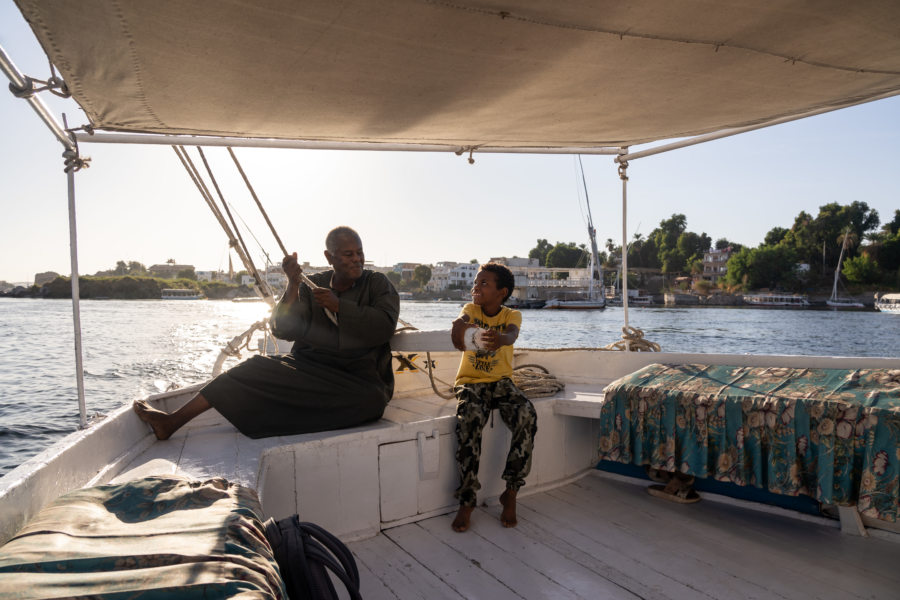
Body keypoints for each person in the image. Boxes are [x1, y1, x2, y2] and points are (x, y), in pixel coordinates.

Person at [133, 226, 399, 439]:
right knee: (252, 367)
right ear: (329, 257)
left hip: (358, 381)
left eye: (359, 252)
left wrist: (339, 306)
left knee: (370, 400)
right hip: (310, 370)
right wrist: (293, 285)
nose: (357, 259)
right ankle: (172, 421)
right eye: (348, 254)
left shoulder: (377, 284)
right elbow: (282, 329)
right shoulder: (312, 284)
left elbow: (384, 324)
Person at [449, 262, 537, 532]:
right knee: (468, 421)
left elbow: (511, 335)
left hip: (501, 382)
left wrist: (500, 339)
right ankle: (467, 500)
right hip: (471, 383)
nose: (476, 286)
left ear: (502, 291)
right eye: (476, 282)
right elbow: (460, 328)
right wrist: (458, 326)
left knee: (526, 414)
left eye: (484, 283)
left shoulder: (512, 315)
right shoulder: (470, 310)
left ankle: (510, 491)